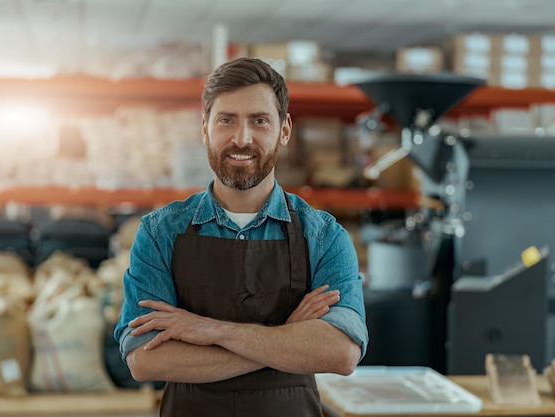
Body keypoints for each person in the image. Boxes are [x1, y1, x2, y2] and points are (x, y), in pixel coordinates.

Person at [114, 57, 368, 416]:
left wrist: (208, 330)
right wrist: (287, 334)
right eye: (226, 120)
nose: (242, 138)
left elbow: (341, 353)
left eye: (259, 121)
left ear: (284, 130)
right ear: (205, 128)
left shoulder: (324, 236)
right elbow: (145, 359)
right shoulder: (160, 232)